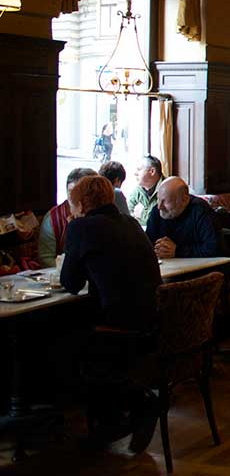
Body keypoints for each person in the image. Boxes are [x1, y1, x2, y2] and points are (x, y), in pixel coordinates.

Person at [61, 175, 161, 452]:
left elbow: (70, 283)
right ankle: (113, 419)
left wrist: (73, 239)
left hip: (120, 326)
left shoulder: (82, 227)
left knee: (61, 339)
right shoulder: (130, 223)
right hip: (154, 320)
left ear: (80, 204)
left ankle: (131, 407)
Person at [146, 177, 220, 258]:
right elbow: (147, 245)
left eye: (165, 201)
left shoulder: (200, 210)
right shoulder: (156, 212)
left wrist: (177, 251)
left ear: (184, 200)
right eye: (158, 199)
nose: (160, 206)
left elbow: (215, 248)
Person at [38, 167, 98, 266]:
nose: (72, 196)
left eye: (77, 192)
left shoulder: (100, 217)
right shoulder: (53, 219)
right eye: (70, 191)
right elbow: (46, 258)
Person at [127, 155, 164, 227]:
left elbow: (161, 222)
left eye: (139, 169)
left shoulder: (167, 189)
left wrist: (141, 215)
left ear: (152, 171)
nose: (135, 173)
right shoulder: (138, 190)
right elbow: (127, 215)